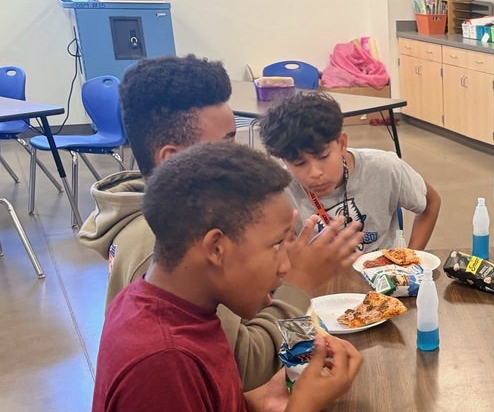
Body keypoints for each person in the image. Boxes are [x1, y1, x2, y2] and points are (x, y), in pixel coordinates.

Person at [82, 142, 364, 412]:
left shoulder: (172, 302)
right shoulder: (161, 359)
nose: (288, 264)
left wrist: (253, 403)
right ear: (216, 247)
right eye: (276, 245)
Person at [79, 55, 362, 391]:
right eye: (228, 141)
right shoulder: (162, 242)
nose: (242, 154)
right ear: (174, 160)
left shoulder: (172, 218)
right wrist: (300, 282)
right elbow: (241, 367)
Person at [259, 91, 441, 251]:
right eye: (299, 163)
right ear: (284, 160)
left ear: (342, 144)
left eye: (323, 157)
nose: (315, 173)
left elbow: (431, 202)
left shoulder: (384, 167)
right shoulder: (280, 192)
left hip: (382, 280)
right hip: (317, 285)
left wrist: (410, 257)